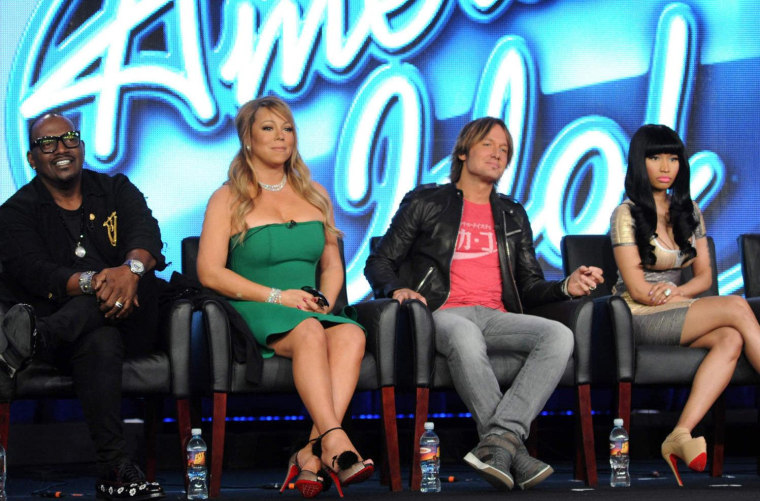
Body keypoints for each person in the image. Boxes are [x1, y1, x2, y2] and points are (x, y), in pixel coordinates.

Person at [364, 116, 604, 491]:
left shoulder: (511, 213)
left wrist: (565, 288)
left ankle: (499, 443)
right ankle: (511, 449)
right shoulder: (426, 202)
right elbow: (379, 260)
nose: (498, 154)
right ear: (463, 151)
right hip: (441, 313)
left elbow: (528, 284)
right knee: (464, 335)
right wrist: (397, 289)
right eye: (489, 145)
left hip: (496, 315)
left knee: (558, 335)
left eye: (505, 150)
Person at [196, 96, 373, 498]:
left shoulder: (315, 194)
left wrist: (325, 300)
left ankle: (312, 454)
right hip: (254, 307)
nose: (281, 137)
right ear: (247, 138)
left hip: (309, 308)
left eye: (287, 128)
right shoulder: (227, 198)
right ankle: (335, 442)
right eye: (268, 128)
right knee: (310, 331)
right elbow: (209, 272)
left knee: (351, 335)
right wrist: (278, 297)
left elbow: (331, 265)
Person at [0, 113, 166, 500]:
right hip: (76, 339)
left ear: (82, 146)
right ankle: (115, 469)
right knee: (100, 339)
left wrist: (131, 270)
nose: (61, 148)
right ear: (31, 157)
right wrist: (98, 282)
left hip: (135, 317)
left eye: (70, 138)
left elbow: (147, 234)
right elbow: (35, 272)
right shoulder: (16, 212)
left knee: (136, 297)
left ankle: (36, 339)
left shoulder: (115, 188)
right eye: (48, 143)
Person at [610, 123, 760, 486]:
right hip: (637, 315)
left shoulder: (689, 210)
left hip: (676, 307)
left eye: (673, 158)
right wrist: (660, 295)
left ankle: (680, 433)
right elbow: (636, 286)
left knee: (731, 338)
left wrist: (678, 293)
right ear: (639, 163)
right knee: (738, 308)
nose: (666, 167)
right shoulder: (625, 214)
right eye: (656, 157)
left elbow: (705, 277)